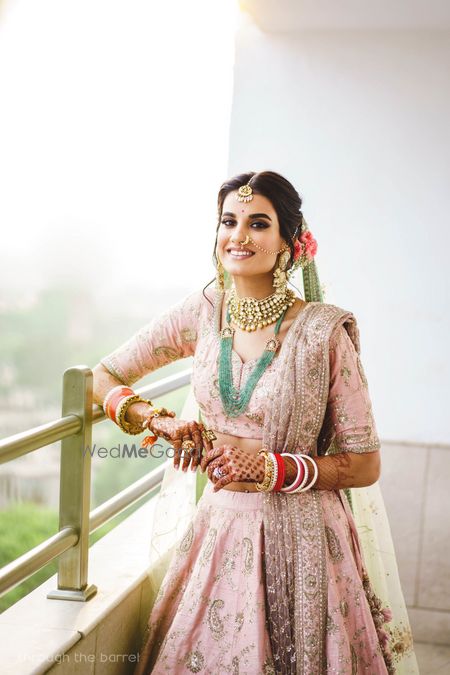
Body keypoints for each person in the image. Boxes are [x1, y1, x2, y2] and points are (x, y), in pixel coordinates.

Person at [93, 171, 418, 674]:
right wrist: (159, 423)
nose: (238, 236)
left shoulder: (323, 332)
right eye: (229, 221)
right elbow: (104, 376)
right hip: (220, 529)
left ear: (290, 241)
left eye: (258, 223)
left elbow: (364, 465)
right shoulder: (201, 312)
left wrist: (272, 469)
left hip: (306, 538)